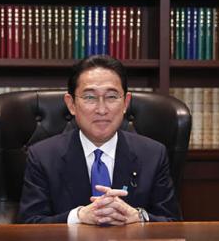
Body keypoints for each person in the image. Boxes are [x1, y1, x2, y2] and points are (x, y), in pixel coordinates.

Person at [18, 55, 181, 225]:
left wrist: (139, 217)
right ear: (71, 104)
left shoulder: (153, 155)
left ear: (125, 103)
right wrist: (78, 217)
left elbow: (173, 223)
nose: (102, 110)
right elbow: (29, 224)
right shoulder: (43, 156)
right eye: (90, 97)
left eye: (111, 97)